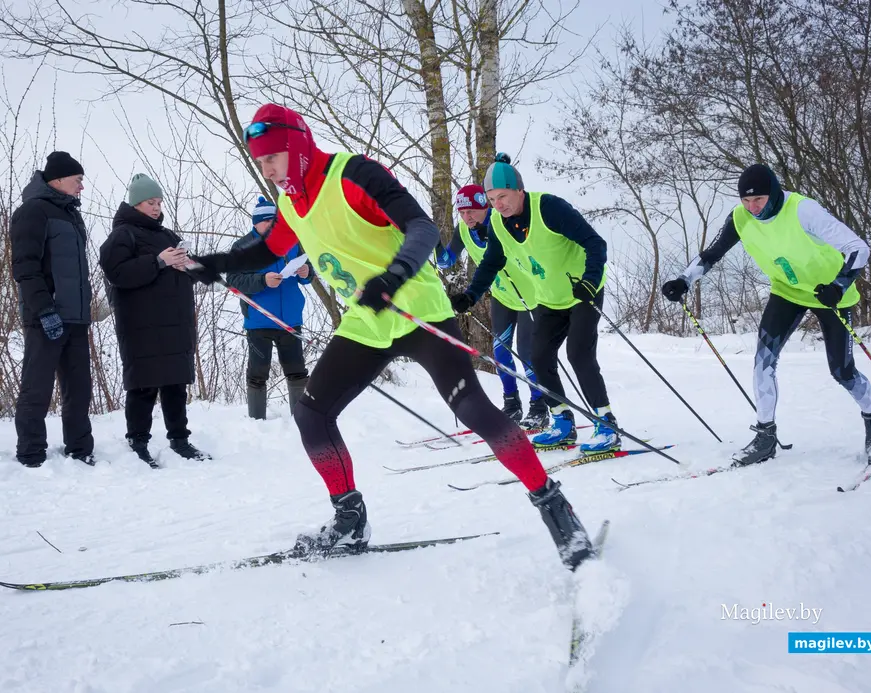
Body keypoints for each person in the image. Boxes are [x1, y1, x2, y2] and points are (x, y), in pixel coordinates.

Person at [186, 104, 594, 571]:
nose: (268, 170)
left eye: (272, 158)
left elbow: (423, 228)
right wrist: (215, 263)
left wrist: (394, 275)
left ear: (296, 147)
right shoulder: (290, 203)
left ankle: (555, 507)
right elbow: (267, 249)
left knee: (472, 409)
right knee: (311, 413)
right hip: (367, 321)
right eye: (260, 163)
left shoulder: (352, 174)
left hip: (418, 309)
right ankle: (349, 520)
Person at [661, 163, 871, 465]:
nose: (753, 207)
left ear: (774, 192)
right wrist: (684, 281)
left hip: (830, 295)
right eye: (746, 200)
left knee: (842, 372)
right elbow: (711, 254)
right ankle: (765, 436)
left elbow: (858, 248)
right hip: (787, 291)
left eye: (759, 199)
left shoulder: (803, 210)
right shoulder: (740, 218)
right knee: (763, 361)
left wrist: (839, 285)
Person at [449, 154, 619, 453]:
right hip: (548, 299)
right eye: (492, 199)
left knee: (578, 354)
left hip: (582, 292)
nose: (498, 205)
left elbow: (595, 244)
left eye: (503, 196)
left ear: (519, 190)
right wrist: (471, 295)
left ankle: (606, 424)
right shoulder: (498, 223)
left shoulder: (549, 208)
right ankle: (562, 421)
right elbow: (492, 262)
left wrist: (590, 280)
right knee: (539, 358)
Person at [99, 173, 211, 466]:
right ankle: (138, 442)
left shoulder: (168, 235)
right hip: (141, 325)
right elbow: (116, 272)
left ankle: (180, 439)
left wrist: (190, 266)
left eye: (159, 202)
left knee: (175, 384)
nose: (156, 207)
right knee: (143, 386)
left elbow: (196, 273)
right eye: (150, 202)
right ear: (136, 203)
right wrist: (159, 261)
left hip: (175, 323)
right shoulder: (123, 235)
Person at [435, 184, 547, 430]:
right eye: (462, 212)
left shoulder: (502, 220)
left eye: (472, 211)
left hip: (531, 296)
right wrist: (434, 242)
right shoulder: (463, 230)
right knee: (501, 353)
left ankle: (539, 406)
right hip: (503, 298)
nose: (467, 217)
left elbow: (528, 245)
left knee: (526, 353)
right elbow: (446, 261)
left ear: (485, 207)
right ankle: (512, 404)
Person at [10, 151, 95, 468]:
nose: (82, 187)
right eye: (78, 180)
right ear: (58, 179)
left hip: (76, 317)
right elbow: (25, 267)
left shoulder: (72, 215)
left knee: (79, 390)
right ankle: (31, 453)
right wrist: (45, 310)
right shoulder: (32, 211)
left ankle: (80, 450)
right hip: (45, 317)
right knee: (37, 388)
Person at [226, 196, 313, 420]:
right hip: (259, 320)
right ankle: (257, 421)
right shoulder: (242, 247)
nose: (272, 226)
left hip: (291, 319)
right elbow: (233, 281)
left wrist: (306, 272)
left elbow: (308, 271)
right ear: (256, 223)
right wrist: (262, 280)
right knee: (258, 372)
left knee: (296, 370)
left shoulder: (291, 242)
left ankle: (300, 418)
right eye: (267, 222)